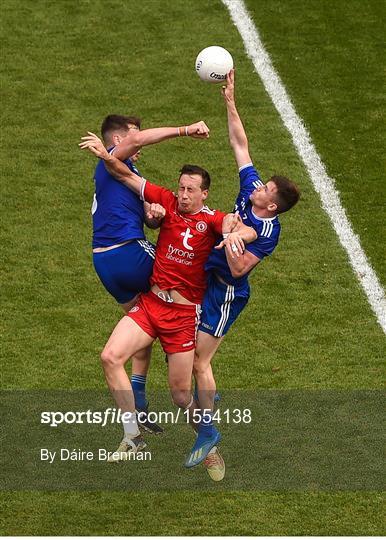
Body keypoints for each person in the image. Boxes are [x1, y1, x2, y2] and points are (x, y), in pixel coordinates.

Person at [80, 132, 256, 467]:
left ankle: (206, 434)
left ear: (205, 193)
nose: (184, 195)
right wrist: (106, 155)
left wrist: (237, 235)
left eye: (191, 190)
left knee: (179, 395)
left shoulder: (214, 220)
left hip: (181, 317)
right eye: (182, 188)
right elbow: (126, 175)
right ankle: (132, 435)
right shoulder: (168, 203)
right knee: (109, 357)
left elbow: (246, 228)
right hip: (151, 305)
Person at [192, 69, 301, 481]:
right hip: (204, 275)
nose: (258, 185)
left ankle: (207, 432)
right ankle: (207, 399)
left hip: (225, 293)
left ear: (272, 204)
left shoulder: (268, 229)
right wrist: (230, 102)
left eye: (266, 190)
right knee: (181, 349)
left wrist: (233, 234)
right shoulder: (251, 191)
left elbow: (244, 251)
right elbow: (240, 143)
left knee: (200, 361)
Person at [87, 115, 210, 434]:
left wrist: (155, 216)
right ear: (117, 141)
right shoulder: (112, 158)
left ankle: (138, 403)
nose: (138, 141)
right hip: (128, 251)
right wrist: (185, 128)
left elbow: (149, 218)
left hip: (105, 264)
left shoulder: (124, 172)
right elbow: (139, 141)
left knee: (142, 323)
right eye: (132, 135)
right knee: (184, 272)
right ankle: (194, 359)